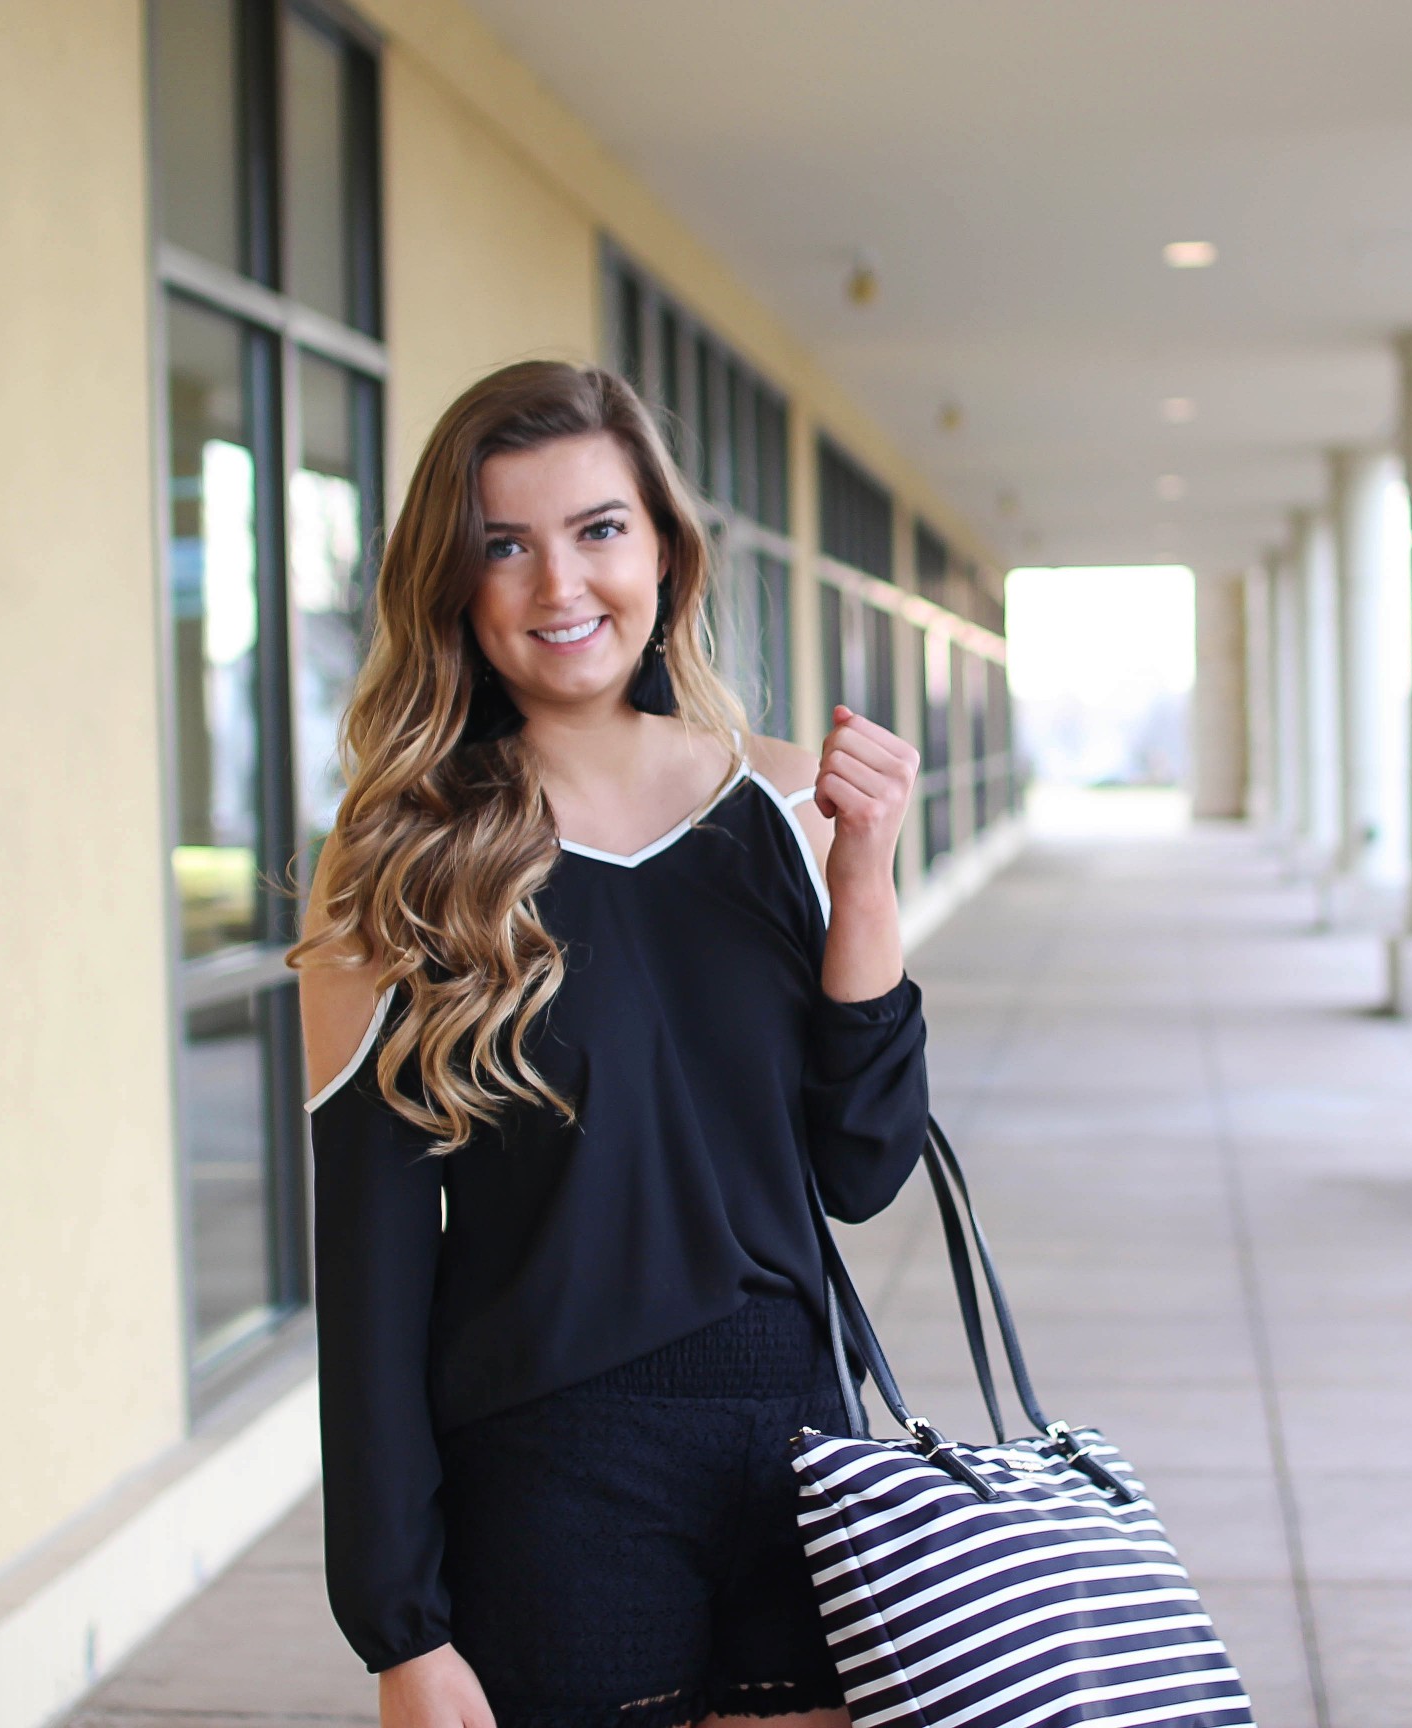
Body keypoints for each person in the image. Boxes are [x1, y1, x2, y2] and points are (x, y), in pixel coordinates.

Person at [290, 360, 930, 1728]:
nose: (557, 587)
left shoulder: (782, 807)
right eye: (503, 546)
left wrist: (866, 874)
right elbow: (370, 1272)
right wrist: (400, 1628)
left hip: (799, 1464)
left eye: (597, 531)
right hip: (552, 1487)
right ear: (452, 585)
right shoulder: (397, 863)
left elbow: (864, 1165)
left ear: (664, 551)